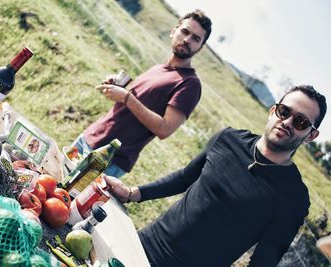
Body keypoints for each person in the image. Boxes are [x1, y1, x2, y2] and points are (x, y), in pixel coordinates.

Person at [104, 85, 327, 266]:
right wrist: (132, 193)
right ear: (273, 111)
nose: (287, 122)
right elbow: (185, 178)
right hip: (146, 243)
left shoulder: (294, 198)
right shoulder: (228, 139)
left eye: (300, 122)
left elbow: (263, 261)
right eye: (284, 111)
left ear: (311, 135)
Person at [71, 10, 212, 178]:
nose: (187, 40)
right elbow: (140, 100)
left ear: (200, 48)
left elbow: (164, 129)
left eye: (195, 38)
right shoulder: (158, 68)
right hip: (88, 138)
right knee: (49, 187)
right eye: (185, 31)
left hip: (109, 159)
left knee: (66, 201)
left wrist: (126, 97)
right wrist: (118, 87)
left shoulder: (190, 84)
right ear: (174, 31)